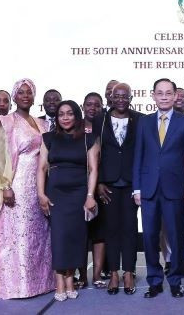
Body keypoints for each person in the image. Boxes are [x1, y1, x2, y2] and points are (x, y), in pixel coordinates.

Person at [0, 78, 55, 299]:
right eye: (21, 92)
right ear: (14, 96)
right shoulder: (6, 122)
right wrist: (5, 186)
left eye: (29, 92)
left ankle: (39, 282)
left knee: (38, 235)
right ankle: (17, 286)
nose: (25, 96)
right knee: (17, 234)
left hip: (38, 183)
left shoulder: (42, 124)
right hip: (17, 182)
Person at [133, 78, 184, 299]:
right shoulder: (143, 122)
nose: (163, 96)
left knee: (175, 236)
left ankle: (175, 280)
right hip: (149, 188)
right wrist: (136, 188)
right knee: (150, 236)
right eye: (159, 93)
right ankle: (154, 280)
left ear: (174, 97)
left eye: (168, 93)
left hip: (175, 188)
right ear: (152, 95)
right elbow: (138, 157)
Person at [37, 100, 100, 301]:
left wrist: (90, 196)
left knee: (75, 237)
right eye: (61, 114)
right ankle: (59, 283)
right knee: (59, 237)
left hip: (79, 193)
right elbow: (41, 168)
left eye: (69, 114)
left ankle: (71, 280)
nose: (65, 118)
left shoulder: (89, 139)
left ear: (76, 116)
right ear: (57, 117)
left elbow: (93, 170)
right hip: (55, 193)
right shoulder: (48, 138)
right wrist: (41, 194)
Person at [96, 83, 142, 295]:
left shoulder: (139, 119)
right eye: (117, 96)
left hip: (132, 184)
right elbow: (94, 156)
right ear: (111, 98)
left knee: (130, 230)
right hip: (108, 184)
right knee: (112, 230)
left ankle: (129, 273)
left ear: (131, 98)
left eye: (126, 96)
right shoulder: (100, 120)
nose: (121, 99)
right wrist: (98, 183)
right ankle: (114, 272)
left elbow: (143, 153)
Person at [161, 86, 184, 276]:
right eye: (178, 96)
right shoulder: (159, 122)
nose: (181, 99)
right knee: (166, 222)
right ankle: (169, 259)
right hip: (167, 179)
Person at [77, 92, 106, 289]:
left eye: (97, 104)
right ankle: (81, 275)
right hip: (78, 186)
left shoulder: (105, 127)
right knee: (79, 232)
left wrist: (100, 183)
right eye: (89, 104)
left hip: (101, 187)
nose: (92, 108)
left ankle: (96, 274)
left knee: (99, 232)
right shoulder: (73, 127)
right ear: (82, 106)